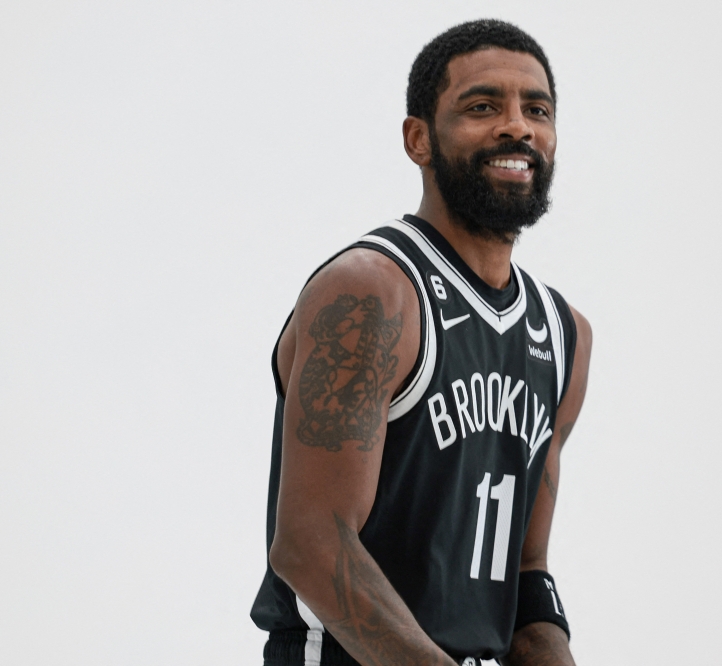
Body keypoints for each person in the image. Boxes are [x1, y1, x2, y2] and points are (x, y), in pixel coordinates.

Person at [250, 19, 592, 666]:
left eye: (537, 109)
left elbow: (525, 576)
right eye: (483, 105)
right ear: (419, 140)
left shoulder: (564, 333)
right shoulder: (371, 292)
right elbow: (311, 545)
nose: (517, 126)